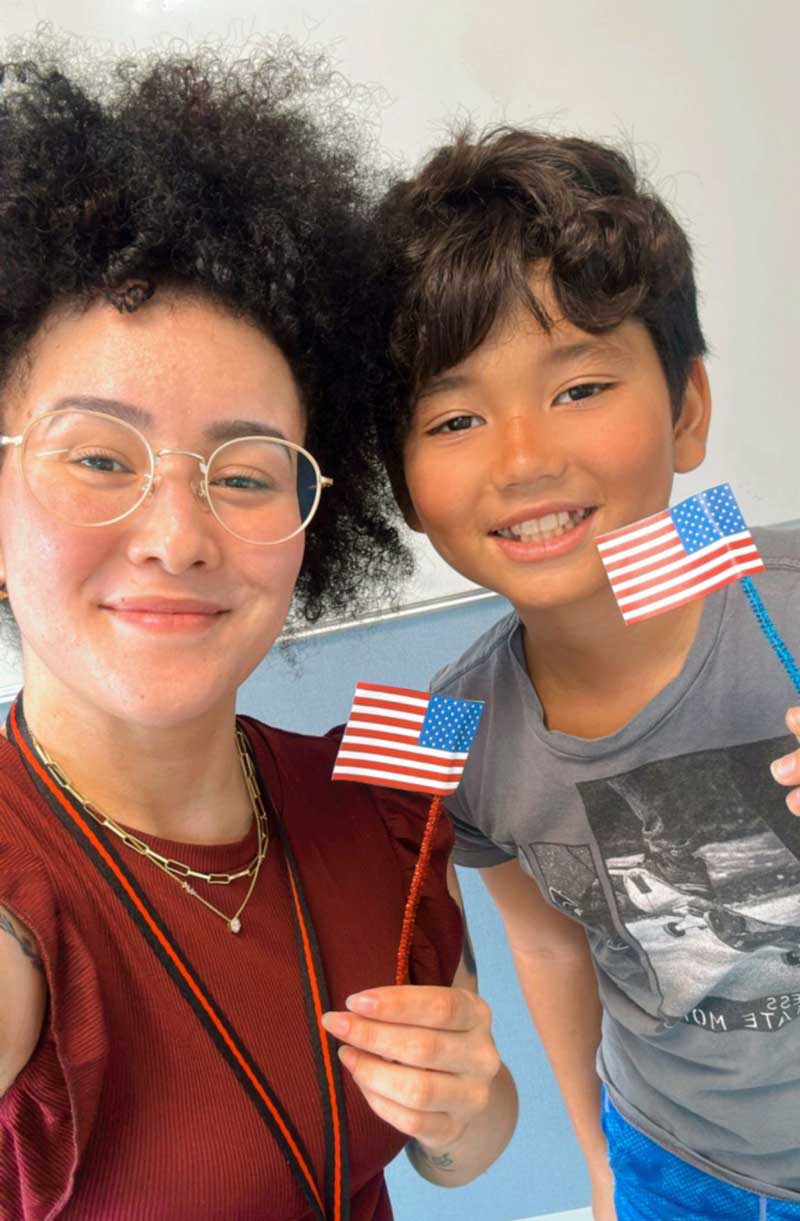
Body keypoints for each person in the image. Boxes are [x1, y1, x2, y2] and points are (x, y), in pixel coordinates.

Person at [0, 46, 518, 1221]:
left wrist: (468, 1100)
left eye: (246, 472)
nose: (178, 535)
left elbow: (459, 1156)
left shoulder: (382, 782)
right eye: (96, 457)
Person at [371, 126, 800, 1220]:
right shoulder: (443, 721)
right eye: (455, 417)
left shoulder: (773, 585)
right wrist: (596, 1162)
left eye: (578, 388)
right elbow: (545, 947)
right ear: (405, 489)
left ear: (685, 410)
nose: (522, 459)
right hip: (677, 1167)